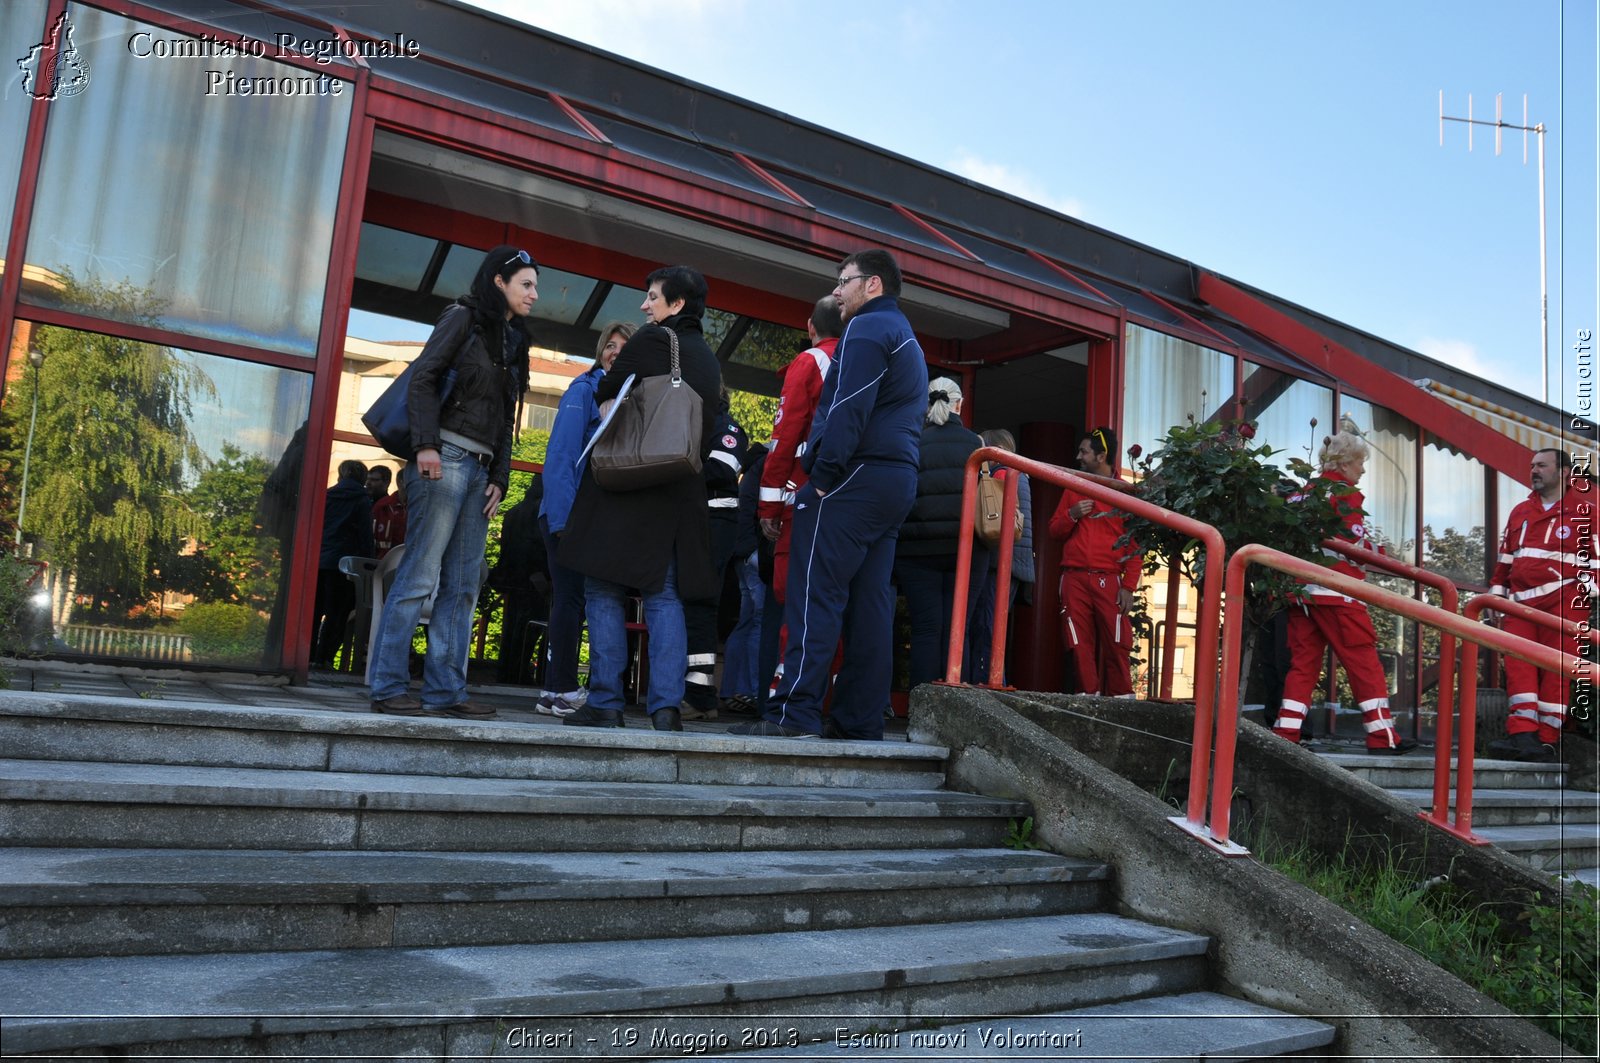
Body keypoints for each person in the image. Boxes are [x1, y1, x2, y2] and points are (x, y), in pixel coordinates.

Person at [733, 249, 926, 740]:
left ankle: (793, 715)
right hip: (894, 481)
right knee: (871, 604)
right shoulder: (906, 336)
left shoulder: (865, 329)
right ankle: (860, 721)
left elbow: (846, 407)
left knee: (813, 595)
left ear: (873, 285)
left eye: (844, 281)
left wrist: (820, 476)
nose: (836, 292)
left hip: (851, 479)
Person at [367, 245, 537, 719]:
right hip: (444, 459)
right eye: (526, 284)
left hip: (480, 471)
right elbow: (423, 378)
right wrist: (425, 446)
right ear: (499, 282)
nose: (535, 294)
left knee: (463, 586)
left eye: (536, 286)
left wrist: (501, 478)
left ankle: (445, 692)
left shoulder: (513, 340)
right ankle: (387, 686)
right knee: (420, 576)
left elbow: (507, 419)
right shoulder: (462, 318)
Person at [559, 266, 722, 732]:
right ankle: (666, 707)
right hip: (678, 491)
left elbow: (608, 388)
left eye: (652, 297)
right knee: (663, 595)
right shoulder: (708, 360)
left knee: (603, 587)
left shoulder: (653, 341)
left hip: (629, 485)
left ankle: (607, 701)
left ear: (676, 305)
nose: (644, 306)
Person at [1270, 430, 1414, 754]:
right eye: (1361, 463)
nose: (1362, 471)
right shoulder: (1345, 493)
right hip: (1338, 591)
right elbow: (1351, 542)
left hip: (1301, 594)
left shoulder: (1303, 494)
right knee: (1364, 663)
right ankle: (1383, 737)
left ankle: (1286, 734)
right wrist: (1385, 554)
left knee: (1303, 665)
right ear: (1347, 462)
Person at [536, 320, 635, 716]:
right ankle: (561, 689)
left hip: (587, 519)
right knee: (572, 601)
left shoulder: (624, 395)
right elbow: (560, 455)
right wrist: (561, 521)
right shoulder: (584, 390)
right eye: (609, 346)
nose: (614, 353)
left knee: (572, 600)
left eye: (623, 348)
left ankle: (551, 692)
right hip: (568, 516)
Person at [756, 295, 842, 702]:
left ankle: (786, 694)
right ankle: (831, 694)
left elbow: (784, 438)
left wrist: (769, 507)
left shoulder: (810, 362)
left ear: (811, 326)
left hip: (805, 502)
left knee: (796, 599)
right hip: (853, 504)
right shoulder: (870, 363)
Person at [1487, 448, 1594, 763]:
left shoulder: (1587, 511)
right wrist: (1497, 591)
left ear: (1563, 472)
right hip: (1520, 603)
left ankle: (1545, 740)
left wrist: (1586, 590)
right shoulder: (1521, 510)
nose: (1533, 470)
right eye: (1532, 465)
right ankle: (1522, 735)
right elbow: (1507, 555)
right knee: (1519, 667)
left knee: (1557, 671)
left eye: (1542, 465)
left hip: (1565, 602)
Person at [893, 377, 988, 689]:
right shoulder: (976, 444)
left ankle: (921, 707)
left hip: (916, 551)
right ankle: (956, 707)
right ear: (959, 404)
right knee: (958, 629)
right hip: (966, 552)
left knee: (926, 628)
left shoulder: (913, 440)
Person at [1048, 427, 1140, 697]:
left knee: (1117, 641)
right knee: (1077, 642)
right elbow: (1054, 530)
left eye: (1084, 452)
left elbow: (1135, 545)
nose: (1078, 457)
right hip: (1074, 576)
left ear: (1101, 456)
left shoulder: (1125, 492)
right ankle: (1087, 697)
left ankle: (1123, 700)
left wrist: (1129, 587)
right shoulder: (1074, 486)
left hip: (1110, 578)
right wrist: (1072, 514)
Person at [681, 391, 750, 721]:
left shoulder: (728, 429)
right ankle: (700, 692)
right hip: (703, 524)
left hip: (715, 525)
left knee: (701, 605)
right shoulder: (701, 424)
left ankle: (700, 695)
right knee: (697, 607)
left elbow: (722, 469)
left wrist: (678, 469)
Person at [967, 428, 1035, 684]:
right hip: (1015, 563)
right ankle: (993, 682)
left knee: (987, 628)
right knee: (994, 628)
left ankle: (988, 685)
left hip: (998, 562)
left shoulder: (1001, 473)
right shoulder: (1021, 474)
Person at [311, 459, 375, 669]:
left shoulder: (326, 496)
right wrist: (368, 563)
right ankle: (325, 657)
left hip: (319, 561)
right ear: (363, 478)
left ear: (340, 475)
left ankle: (308, 655)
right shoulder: (362, 500)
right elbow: (365, 535)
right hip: (344, 565)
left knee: (315, 609)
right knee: (337, 613)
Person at [372, 464, 407, 559]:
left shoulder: (419, 506)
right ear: (400, 482)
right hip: (382, 561)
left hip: (408, 561)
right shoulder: (383, 505)